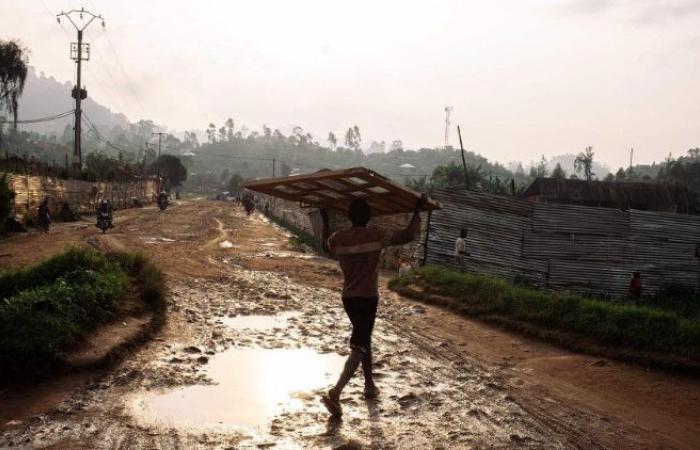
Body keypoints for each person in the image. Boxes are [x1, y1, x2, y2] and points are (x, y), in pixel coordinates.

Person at [320, 195, 425, 418]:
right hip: (367, 297)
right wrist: (417, 212)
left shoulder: (339, 238)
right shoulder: (376, 235)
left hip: (348, 297)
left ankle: (369, 385)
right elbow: (408, 235)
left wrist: (324, 218)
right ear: (369, 217)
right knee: (359, 344)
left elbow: (325, 244)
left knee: (364, 339)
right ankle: (335, 392)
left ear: (349, 217)